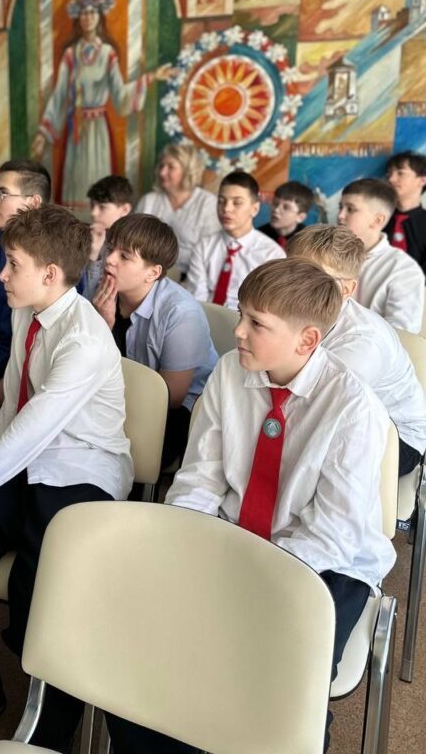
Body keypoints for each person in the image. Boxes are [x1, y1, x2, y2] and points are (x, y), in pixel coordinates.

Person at [107, 258, 395, 753]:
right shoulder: (230, 371)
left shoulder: (353, 407)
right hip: (232, 538)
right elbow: (200, 479)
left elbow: (331, 534)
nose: (237, 331)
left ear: (307, 340)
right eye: (242, 315)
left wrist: (243, 587)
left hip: (326, 566)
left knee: (281, 685)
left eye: (256, 324)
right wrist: (182, 549)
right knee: (146, 656)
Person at [0, 205, 133, 751]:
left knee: (43, 584)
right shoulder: (28, 309)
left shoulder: (83, 340)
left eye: (12, 264)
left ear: (49, 273)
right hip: (23, 462)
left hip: (79, 468)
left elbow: (35, 430)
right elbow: (12, 419)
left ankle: (52, 723)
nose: (0, 274)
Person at [289, 225, 426, 476]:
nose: (295, 284)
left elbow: (321, 410)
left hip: (399, 437)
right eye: (290, 270)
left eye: (314, 277)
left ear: (346, 289)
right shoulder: (298, 313)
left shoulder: (363, 342)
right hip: (338, 414)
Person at [30, 0, 171, 210]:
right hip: (76, 132)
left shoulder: (107, 54)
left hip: (99, 130)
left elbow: (120, 95)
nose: (88, 18)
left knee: (98, 185)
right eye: (84, 13)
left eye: (92, 12)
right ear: (78, 17)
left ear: (99, 16)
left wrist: (150, 78)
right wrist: (43, 133)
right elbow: (59, 95)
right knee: (75, 187)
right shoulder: (71, 55)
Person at [92, 213, 216, 466]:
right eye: (110, 248)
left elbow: (170, 397)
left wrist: (103, 331)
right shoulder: (100, 285)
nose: (110, 259)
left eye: (125, 256)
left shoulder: (181, 313)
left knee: (111, 450)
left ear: (153, 273)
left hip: (178, 410)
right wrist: (100, 325)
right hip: (118, 393)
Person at [0, 159, 50, 408]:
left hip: (41, 367)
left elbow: (54, 332)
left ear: (33, 202)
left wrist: (10, 380)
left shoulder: (58, 254)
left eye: (3, 193)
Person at [185, 171, 285, 311]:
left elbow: (268, 308)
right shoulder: (204, 246)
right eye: (221, 201)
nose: (226, 209)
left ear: (255, 209)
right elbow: (197, 296)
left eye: (237, 202)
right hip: (204, 317)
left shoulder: (272, 255)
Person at [338, 177, 423, 333]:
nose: (340, 215)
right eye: (340, 207)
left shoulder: (404, 270)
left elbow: (402, 333)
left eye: (350, 209)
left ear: (377, 220)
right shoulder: (325, 255)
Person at [135, 143, 218, 275]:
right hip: (147, 274)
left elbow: (210, 254)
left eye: (171, 167)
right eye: (161, 166)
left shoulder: (208, 204)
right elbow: (134, 241)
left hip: (191, 276)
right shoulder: (149, 201)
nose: (162, 172)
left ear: (188, 170)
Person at [84, 174, 133, 300]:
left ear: (124, 209)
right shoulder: (93, 236)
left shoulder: (133, 247)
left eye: (102, 207)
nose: (93, 213)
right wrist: (94, 253)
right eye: (92, 205)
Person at [384, 150, 426, 275]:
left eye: (400, 173)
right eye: (389, 174)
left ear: (422, 180)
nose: (391, 179)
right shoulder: (377, 219)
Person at [259, 180, 313, 251]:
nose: (276, 210)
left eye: (286, 207)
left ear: (300, 217)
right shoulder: (260, 236)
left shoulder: (309, 242)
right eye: (275, 203)